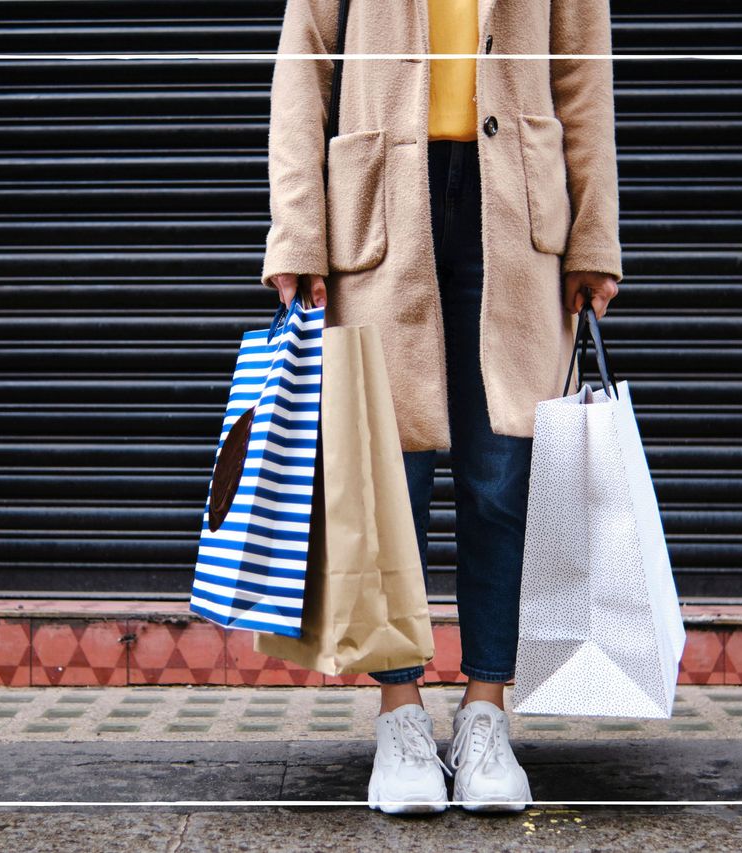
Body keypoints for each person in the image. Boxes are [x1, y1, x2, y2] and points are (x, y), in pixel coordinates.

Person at [260, 0, 623, 813]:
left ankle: (488, 711)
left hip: (518, 203)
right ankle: (400, 715)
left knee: (503, 477)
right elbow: (306, 58)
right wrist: (296, 235)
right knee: (391, 480)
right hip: (381, 197)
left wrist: (595, 235)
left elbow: (580, 70)